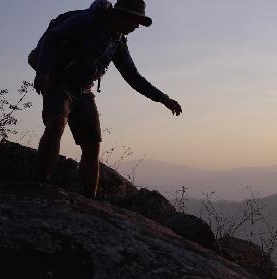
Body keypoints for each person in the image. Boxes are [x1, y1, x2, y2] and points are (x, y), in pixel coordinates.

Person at [32, 0, 183, 198]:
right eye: (136, 21)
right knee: (56, 123)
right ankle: (40, 185)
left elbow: (132, 76)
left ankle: (89, 199)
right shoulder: (87, 20)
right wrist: (43, 71)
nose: (137, 26)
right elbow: (53, 37)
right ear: (122, 15)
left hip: (84, 90)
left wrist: (163, 98)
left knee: (92, 144)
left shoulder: (117, 41)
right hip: (58, 80)